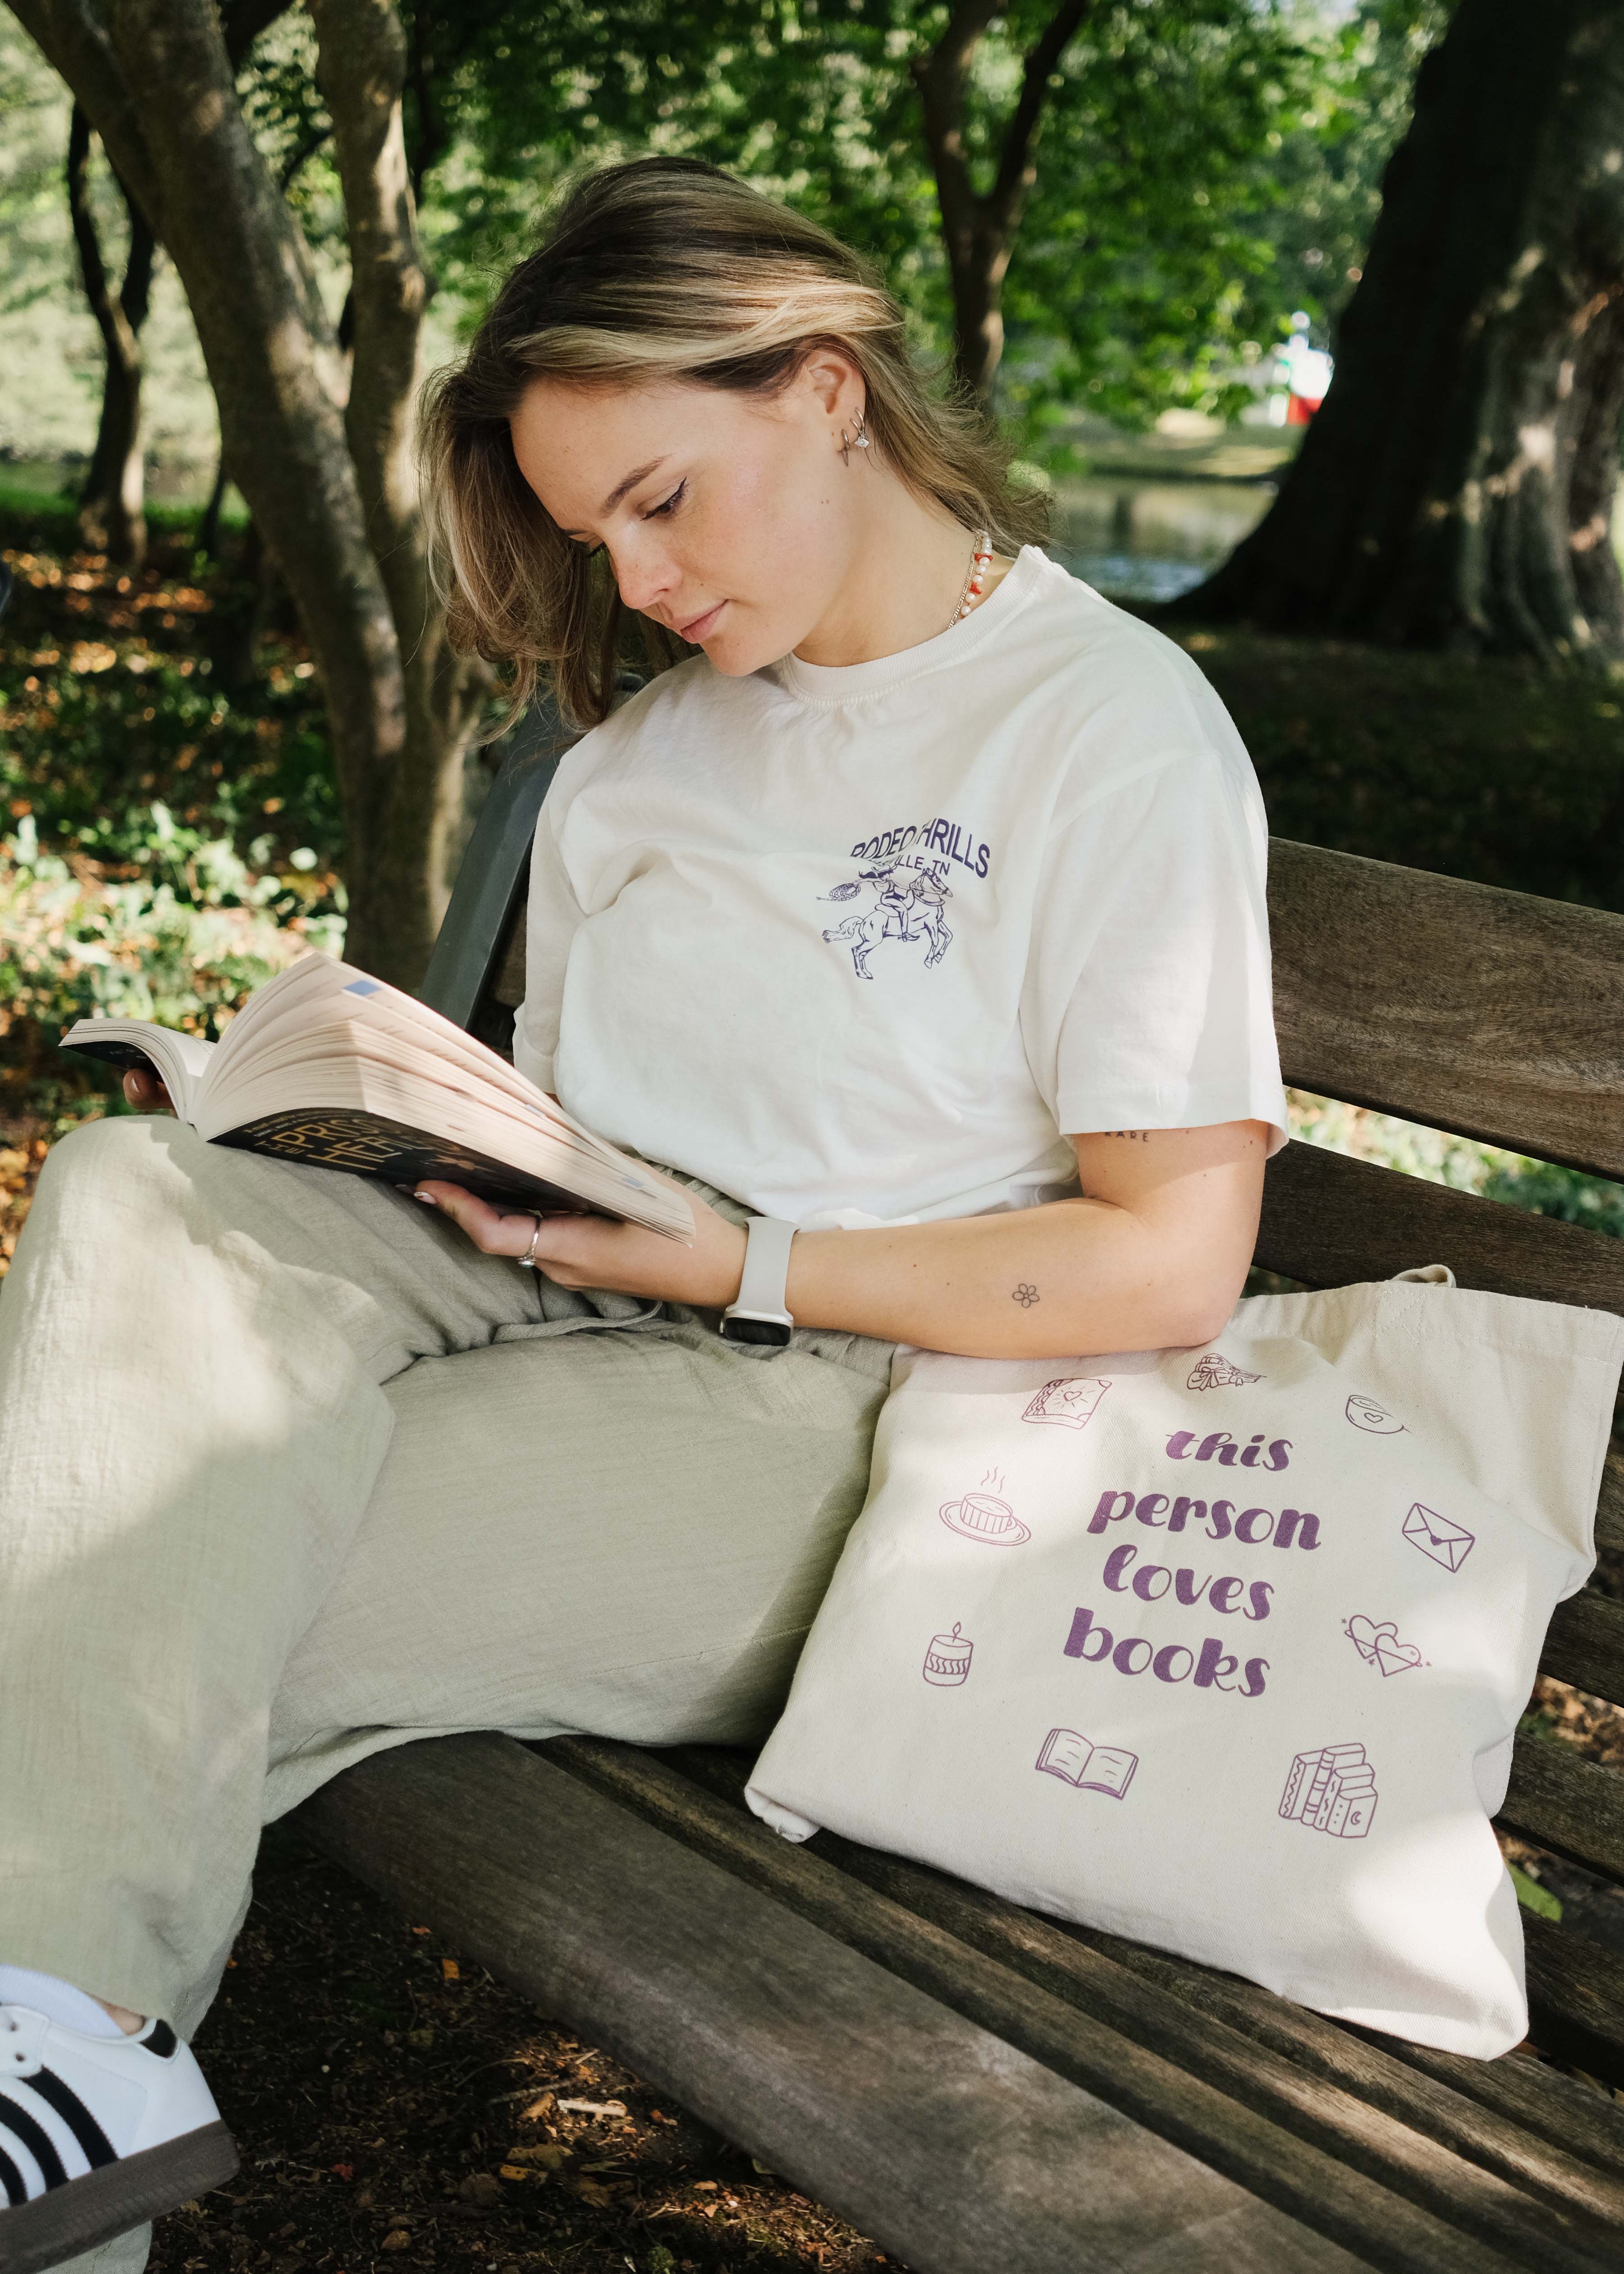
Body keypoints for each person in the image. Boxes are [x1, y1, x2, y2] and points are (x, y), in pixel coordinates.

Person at [0, 155, 1287, 2274]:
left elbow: (1170, 1258)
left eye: (663, 497)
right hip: (576, 1288)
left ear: (822, 383)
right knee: (146, 1191)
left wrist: (735, 1262)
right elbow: (577, 1124)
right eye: (596, 529)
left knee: (130, 1574)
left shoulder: (1108, 735)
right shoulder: (644, 761)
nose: (639, 575)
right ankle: (71, 2085)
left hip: (864, 1407)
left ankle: (64, 2124)